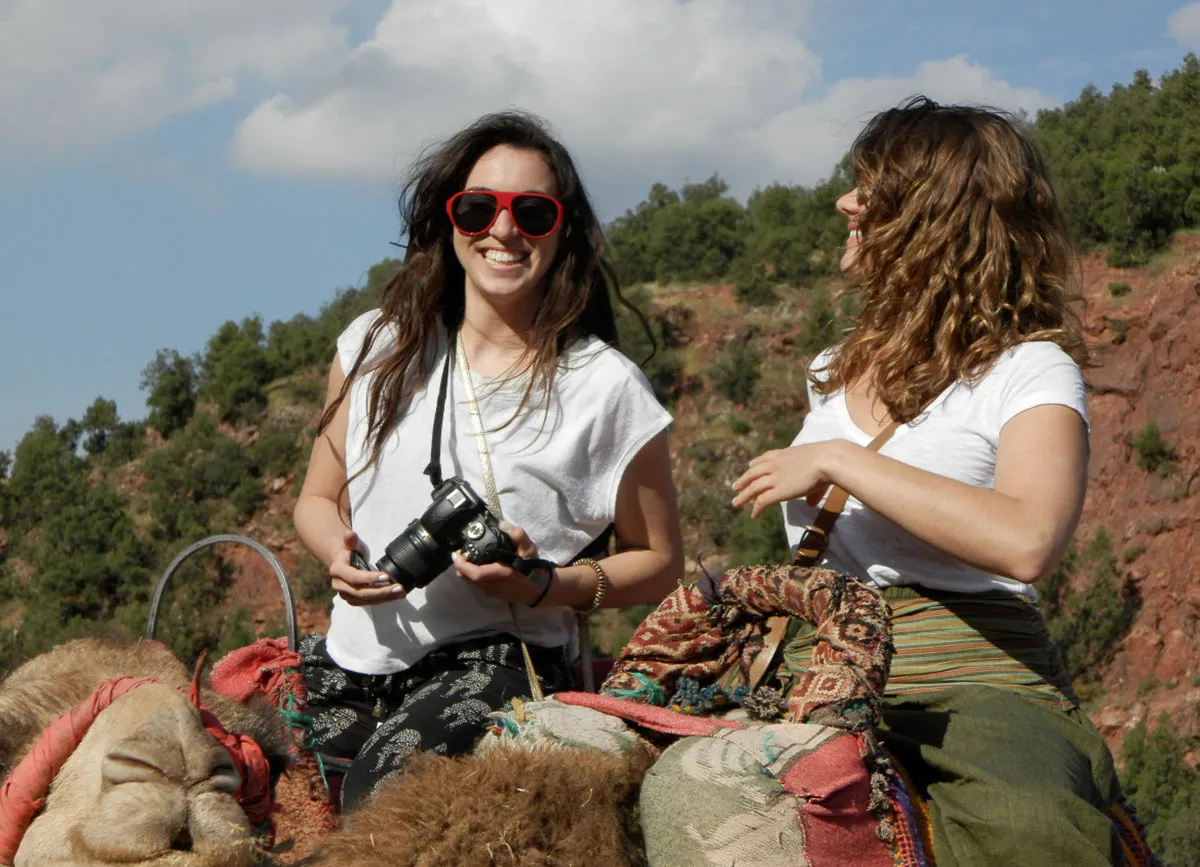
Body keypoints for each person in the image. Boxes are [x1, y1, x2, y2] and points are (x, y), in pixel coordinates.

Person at [731, 97, 1123, 865]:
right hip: (824, 663)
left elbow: (1027, 539)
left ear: (936, 214)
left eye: (868, 187)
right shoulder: (828, 370)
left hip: (975, 677)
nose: (845, 201)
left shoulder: (1030, 369)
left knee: (1028, 822)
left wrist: (845, 462)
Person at [294, 110, 683, 811]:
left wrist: (541, 584)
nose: (502, 230)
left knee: (383, 801)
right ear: (450, 221)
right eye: (478, 208)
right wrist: (338, 555)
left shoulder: (605, 387)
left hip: (499, 659)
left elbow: (659, 560)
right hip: (352, 657)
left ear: (563, 230)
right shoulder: (376, 347)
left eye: (532, 213)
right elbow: (318, 499)